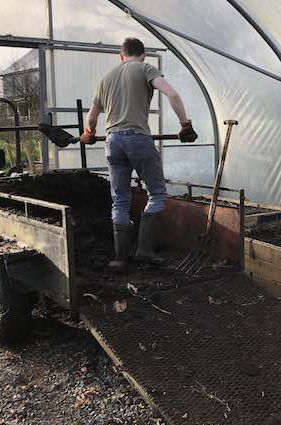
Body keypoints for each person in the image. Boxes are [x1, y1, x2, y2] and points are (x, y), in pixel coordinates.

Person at [82, 37, 197, 272]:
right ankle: (144, 250)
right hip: (137, 138)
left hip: (113, 141)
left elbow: (92, 117)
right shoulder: (146, 68)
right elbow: (173, 95)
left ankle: (120, 258)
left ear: (121, 56)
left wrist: (88, 133)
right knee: (156, 194)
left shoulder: (106, 79)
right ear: (143, 55)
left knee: (120, 199)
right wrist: (185, 125)